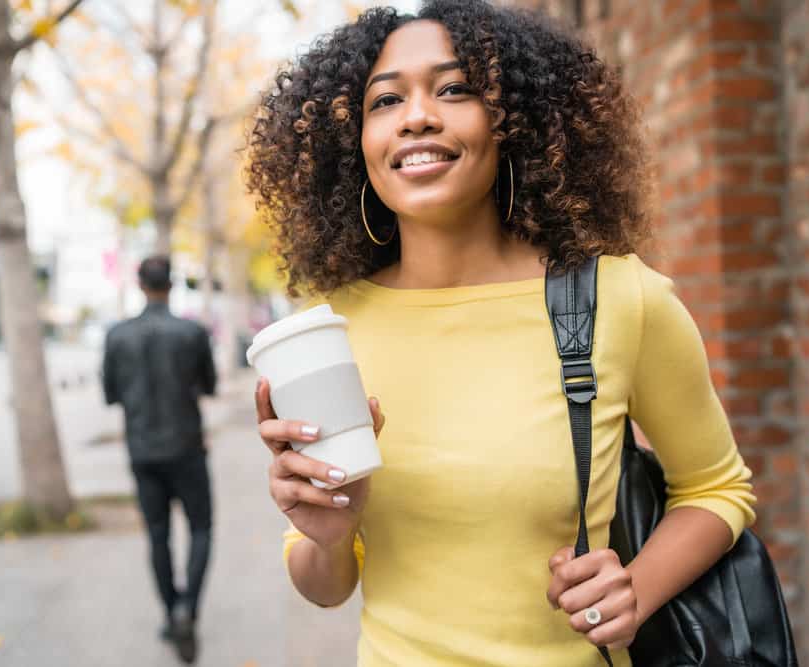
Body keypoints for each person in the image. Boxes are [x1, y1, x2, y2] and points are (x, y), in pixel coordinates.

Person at [244, 2, 758, 666]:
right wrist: (329, 534)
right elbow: (324, 585)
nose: (418, 115)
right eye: (385, 99)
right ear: (358, 144)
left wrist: (635, 586)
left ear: (512, 119)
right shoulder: (326, 334)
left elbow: (717, 486)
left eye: (455, 88)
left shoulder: (620, 301)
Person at [101, 255, 216, 664]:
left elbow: (111, 394)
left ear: (139, 284)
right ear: (170, 284)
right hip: (187, 446)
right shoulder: (191, 333)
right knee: (201, 528)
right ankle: (188, 608)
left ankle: (170, 611)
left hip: (142, 449)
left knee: (156, 533)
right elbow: (210, 385)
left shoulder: (117, 335)